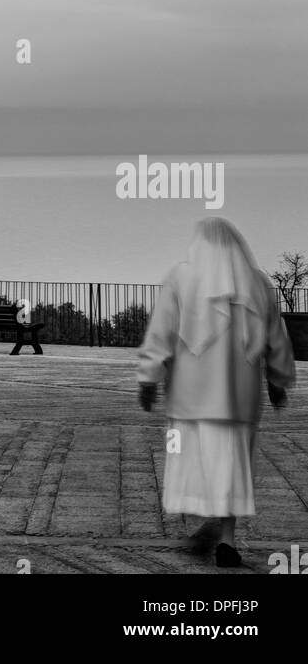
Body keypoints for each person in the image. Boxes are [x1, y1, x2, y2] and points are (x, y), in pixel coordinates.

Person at [137, 216, 295, 566]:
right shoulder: (257, 283)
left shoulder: (181, 277)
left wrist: (148, 377)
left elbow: (161, 332)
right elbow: (276, 337)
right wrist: (279, 382)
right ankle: (227, 537)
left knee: (184, 458)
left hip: (188, 401)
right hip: (239, 404)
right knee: (232, 468)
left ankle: (198, 512)